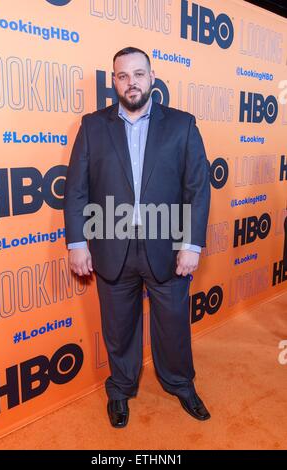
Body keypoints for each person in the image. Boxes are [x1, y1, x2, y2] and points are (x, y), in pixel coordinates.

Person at [63, 47, 211, 428]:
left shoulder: (182, 125)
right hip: (112, 247)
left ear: (152, 77)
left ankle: (181, 384)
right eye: (123, 76)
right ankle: (121, 389)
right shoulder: (93, 127)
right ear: (113, 81)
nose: (132, 82)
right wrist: (77, 243)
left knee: (174, 323)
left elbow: (197, 188)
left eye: (139, 74)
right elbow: (77, 190)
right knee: (118, 326)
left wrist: (191, 245)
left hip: (167, 247)